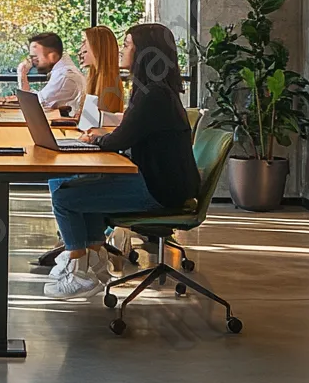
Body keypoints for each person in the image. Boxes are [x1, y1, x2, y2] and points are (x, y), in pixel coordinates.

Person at [44, 23, 200, 300]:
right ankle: (93, 259)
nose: (122, 50)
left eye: (127, 45)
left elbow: (121, 139)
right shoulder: (157, 90)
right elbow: (128, 132)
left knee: (65, 198)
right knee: (70, 183)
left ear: (144, 53)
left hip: (160, 190)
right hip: (163, 181)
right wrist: (102, 138)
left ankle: (77, 270)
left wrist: (96, 140)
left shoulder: (152, 95)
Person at [17, 32, 85, 114]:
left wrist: (22, 73)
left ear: (52, 56)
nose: (32, 62)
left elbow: (33, 104)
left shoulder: (64, 76)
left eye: (35, 57)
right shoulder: (63, 71)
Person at [78, 25, 124, 116]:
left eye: (84, 42)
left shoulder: (109, 85)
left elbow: (93, 123)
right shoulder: (93, 79)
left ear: (97, 49)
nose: (81, 49)